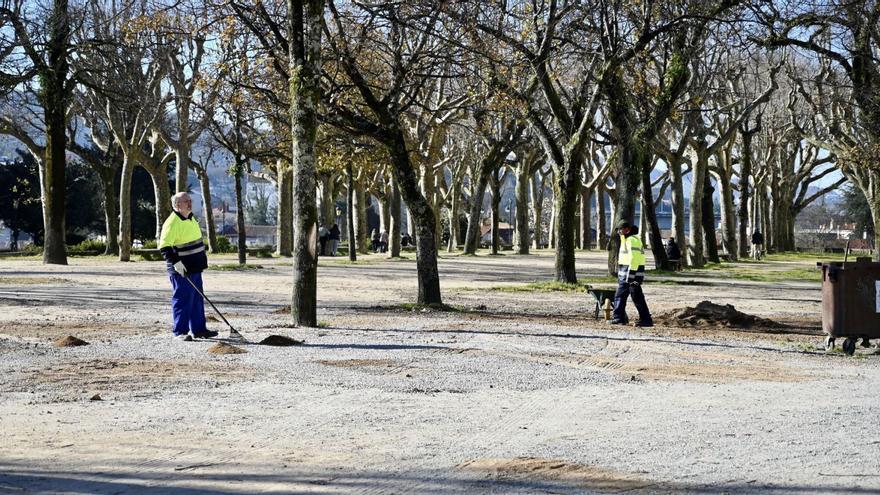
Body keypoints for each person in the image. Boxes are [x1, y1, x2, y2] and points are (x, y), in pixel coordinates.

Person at [159, 192, 217, 342]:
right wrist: (176, 263)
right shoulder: (172, 222)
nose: (190, 203)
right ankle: (180, 332)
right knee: (183, 300)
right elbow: (165, 246)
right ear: (178, 205)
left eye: (190, 201)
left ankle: (199, 330)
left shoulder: (191, 219)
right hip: (181, 270)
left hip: (195, 268)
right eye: (186, 201)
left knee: (197, 299)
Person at [611, 220, 653, 327]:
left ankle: (618, 318)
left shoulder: (631, 240)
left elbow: (634, 259)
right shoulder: (631, 239)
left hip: (629, 275)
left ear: (627, 230)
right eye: (618, 230)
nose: (619, 232)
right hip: (633, 275)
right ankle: (646, 319)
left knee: (620, 296)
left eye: (620, 229)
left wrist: (630, 276)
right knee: (637, 297)